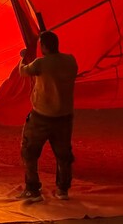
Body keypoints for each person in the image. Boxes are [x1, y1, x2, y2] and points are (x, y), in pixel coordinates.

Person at [18, 30, 78, 202]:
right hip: (64, 117)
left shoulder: (40, 64)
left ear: (43, 46)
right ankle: (63, 190)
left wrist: (23, 57)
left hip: (41, 117)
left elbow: (23, 71)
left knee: (29, 151)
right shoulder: (71, 61)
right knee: (64, 155)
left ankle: (33, 190)